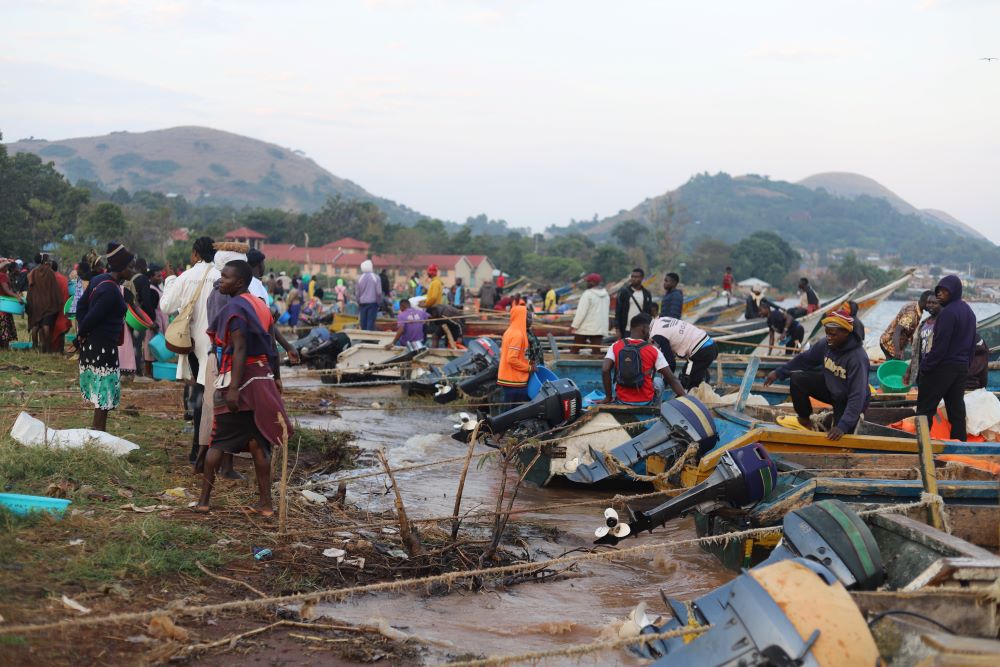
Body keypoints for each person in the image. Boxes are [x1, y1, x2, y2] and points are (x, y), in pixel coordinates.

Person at [195, 260, 294, 517]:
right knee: (258, 444)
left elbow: (239, 349)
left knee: (218, 440)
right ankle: (266, 505)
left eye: (225, 277)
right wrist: (277, 377)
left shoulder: (236, 308)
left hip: (241, 381)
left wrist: (234, 389)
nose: (221, 282)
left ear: (239, 282)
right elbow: (272, 346)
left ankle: (204, 501)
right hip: (263, 379)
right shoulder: (260, 305)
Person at [763, 308, 869, 440]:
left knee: (837, 437)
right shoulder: (826, 344)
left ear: (846, 332)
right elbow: (804, 359)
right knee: (797, 379)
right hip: (832, 388)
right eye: (827, 333)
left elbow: (857, 396)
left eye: (833, 334)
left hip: (847, 400)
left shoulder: (857, 358)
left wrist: (843, 425)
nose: (829, 338)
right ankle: (805, 420)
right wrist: (779, 372)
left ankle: (842, 423)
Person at [160, 236, 220, 462]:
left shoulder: (186, 277)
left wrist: (170, 282)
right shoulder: (221, 276)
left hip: (191, 342)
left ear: (195, 254)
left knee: (198, 395)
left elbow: (166, 306)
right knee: (212, 397)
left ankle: (197, 449)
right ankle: (209, 447)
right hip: (215, 345)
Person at [74, 243, 134, 432]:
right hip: (103, 347)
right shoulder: (110, 290)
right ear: (121, 267)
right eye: (129, 266)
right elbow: (93, 315)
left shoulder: (98, 279)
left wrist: (84, 334)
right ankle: (98, 432)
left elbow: (82, 307)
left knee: (101, 391)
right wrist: (81, 334)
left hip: (94, 345)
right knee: (104, 392)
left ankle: (98, 430)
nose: (131, 269)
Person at [917, 275, 976, 440]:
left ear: (954, 292)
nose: (940, 295)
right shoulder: (969, 312)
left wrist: (925, 367)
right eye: (939, 291)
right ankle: (959, 446)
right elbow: (972, 344)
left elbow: (939, 347)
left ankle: (921, 446)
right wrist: (966, 365)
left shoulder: (947, 313)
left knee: (924, 410)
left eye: (945, 291)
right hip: (961, 368)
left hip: (942, 367)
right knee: (956, 411)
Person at [601, 313, 685, 405]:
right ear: (644, 329)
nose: (650, 332)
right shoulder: (653, 350)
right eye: (649, 329)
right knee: (659, 381)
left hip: (622, 400)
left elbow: (605, 370)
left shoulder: (615, 345)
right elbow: (671, 378)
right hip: (646, 401)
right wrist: (686, 399)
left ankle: (617, 399)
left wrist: (608, 397)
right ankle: (656, 408)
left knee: (616, 382)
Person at [649, 316, 718, 390]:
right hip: (710, 344)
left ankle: (688, 396)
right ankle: (699, 389)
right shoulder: (661, 319)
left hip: (700, 350)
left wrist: (664, 383)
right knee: (695, 374)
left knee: (687, 379)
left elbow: (671, 363)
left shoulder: (656, 335)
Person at [497, 304, 536, 405]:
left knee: (508, 410)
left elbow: (519, 355)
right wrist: (529, 368)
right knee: (515, 413)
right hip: (514, 380)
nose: (530, 320)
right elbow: (512, 359)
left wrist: (529, 362)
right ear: (520, 318)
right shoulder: (517, 335)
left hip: (509, 378)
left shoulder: (510, 331)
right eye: (527, 317)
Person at [26, 255, 63, 353]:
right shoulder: (50, 272)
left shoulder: (33, 272)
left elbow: (30, 286)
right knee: (46, 326)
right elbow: (54, 288)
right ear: (46, 261)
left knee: (35, 326)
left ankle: (34, 347)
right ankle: (47, 349)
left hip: (36, 303)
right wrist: (57, 301)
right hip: (48, 304)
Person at [879, 291, 931, 360]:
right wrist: (897, 351)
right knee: (894, 367)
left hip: (890, 341)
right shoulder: (911, 314)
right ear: (925, 302)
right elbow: (897, 331)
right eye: (930, 303)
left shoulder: (915, 305)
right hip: (890, 343)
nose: (931, 306)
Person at [904, 294, 940, 386]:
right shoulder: (923, 324)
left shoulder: (942, 323)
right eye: (928, 303)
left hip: (935, 370)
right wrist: (908, 371)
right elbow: (917, 352)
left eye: (934, 303)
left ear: (940, 304)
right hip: (922, 369)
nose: (930, 305)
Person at [570, 273, 610, 353]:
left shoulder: (587, 294)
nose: (587, 283)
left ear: (593, 282)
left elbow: (581, 312)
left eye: (588, 282)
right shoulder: (606, 295)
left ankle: (567, 364)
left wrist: (574, 326)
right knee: (596, 350)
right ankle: (597, 364)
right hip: (600, 327)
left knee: (575, 349)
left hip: (586, 327)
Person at [615, 268, 654, 339]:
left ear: (642, 278)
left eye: (636, 277)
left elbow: (648, 313)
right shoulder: (624, 292)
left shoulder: (646, 294)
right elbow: (618, 311)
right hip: (626, 329)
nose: (633, 279)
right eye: (632, 276)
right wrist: (617, 330)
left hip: (642, 331)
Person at [0, 258, 22, 349]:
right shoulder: (2, 276)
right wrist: (17, 297)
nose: (7, 267)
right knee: (5, 332)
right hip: (4, 307)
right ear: (3, 267)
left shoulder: (4, 275)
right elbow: (6, 290)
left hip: (2, 304)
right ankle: (5, 349)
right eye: (6, 266)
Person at [356, 259, 382, 330]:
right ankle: (369, 339)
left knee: (363, 322)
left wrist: (358, 302)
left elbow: (357, 293)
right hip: (373, 303)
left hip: (362, 303)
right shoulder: (376, 277)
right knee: (370, 321)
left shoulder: (359, 278)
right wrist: (379, 303)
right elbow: (379, 292)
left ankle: (364, 338)